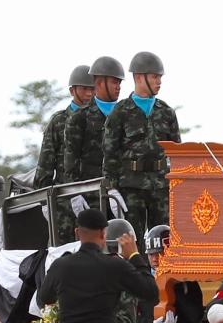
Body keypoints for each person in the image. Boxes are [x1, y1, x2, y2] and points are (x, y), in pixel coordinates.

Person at [102, 51, 181, 236]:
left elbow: (177, 152)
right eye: (154, 77)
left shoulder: (166, 111)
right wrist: (112, 189)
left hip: (161, 186)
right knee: (132, 238)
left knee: (164, 238)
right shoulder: (120, 111)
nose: (159, 82)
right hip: (130, 186)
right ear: (139, 77)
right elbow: (110, 152)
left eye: (160, 77)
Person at [64, 56, 125, 186]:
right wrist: (75, 194)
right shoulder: (79, 117)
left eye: (120, 83)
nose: (118, 87)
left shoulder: (128, 114)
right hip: (92, 194)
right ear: (99, 83)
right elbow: (71, 161)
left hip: (124, 192)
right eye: (114, 82)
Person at [34, 65, 94, 189]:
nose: (89, 93)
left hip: (96, 191)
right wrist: (45, 201)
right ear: (72, 91)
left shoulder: (101, 119)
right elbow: (45, 165)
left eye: (92, 89)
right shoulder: (58, 121)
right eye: (84, 89)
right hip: (66, 194)